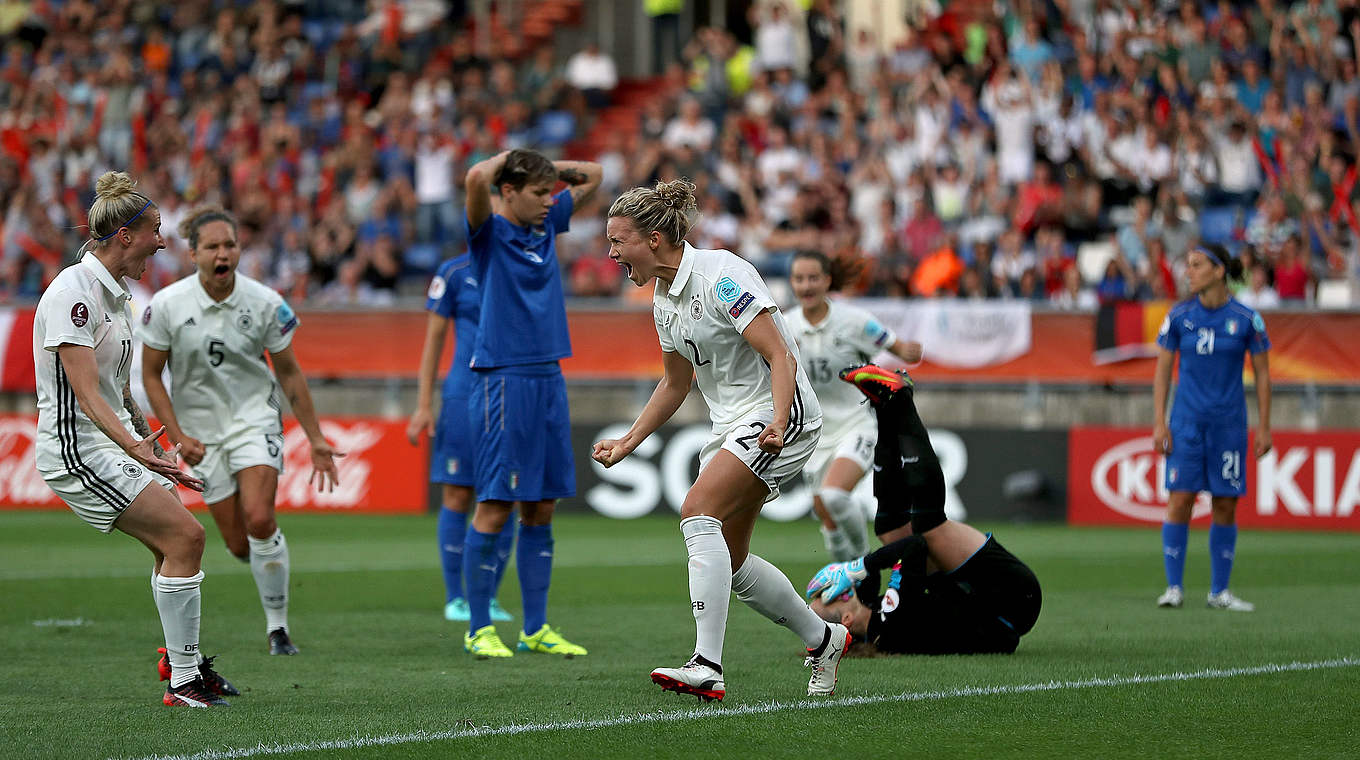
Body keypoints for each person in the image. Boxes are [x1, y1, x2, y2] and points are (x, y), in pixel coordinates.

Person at [593, 179, 850, 702]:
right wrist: (629, 442)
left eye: (619, 241)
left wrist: (778, 420)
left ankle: (707, 664)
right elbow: (675, 382)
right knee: (730, 561)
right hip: (732, 424)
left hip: (780, 415)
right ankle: (825, 639)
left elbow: (780, 354)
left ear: (656, 238)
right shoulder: (663, 300)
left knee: (696, 511)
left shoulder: (723, 276)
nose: (612, 253)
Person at [33, 172, 236, 707]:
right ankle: (185, 681)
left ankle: (181, 665)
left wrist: (154, 444)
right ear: (125, 235)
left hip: (109, 440)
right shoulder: (71, 296)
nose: (162, 241)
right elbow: (86, 394)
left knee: (171, 543)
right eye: (155, 230)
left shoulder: (118, 298)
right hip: (75, 448)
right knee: (186, 538)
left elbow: (118, 390)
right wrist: (133, 447)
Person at [139, 205, 343, 657]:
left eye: (229, 244)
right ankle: (269, 563)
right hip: (199, 433)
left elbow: (290, 374)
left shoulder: (266, 302)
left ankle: (278, 629)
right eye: (212, 246)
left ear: (239, 250)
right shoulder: (168, 305)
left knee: (259, 517)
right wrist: (175, 434)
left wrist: (315, 438)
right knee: (236, 544)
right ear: (193, 254)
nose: (222, 253)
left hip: (255, 419)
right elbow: (152, 375)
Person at [459, 149, 601, 658]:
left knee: (541, 506)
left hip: (548, 375)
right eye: (538, 193)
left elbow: (597, 173)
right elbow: (477, 175)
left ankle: (535, 628)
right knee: (496, 504)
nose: (549, 201)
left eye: (550, 193)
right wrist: (516, 164)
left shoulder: (545, 226)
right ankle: (479, 628)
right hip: (503, 378)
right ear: (508, 191)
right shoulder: (488, 233)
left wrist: (545, 172)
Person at [805, 364, 1042, 655]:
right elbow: (913, 548)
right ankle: (902, 399)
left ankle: (883, 405)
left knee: (889, 531)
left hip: (972, 596)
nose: (832, 591)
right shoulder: (892, 624)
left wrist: (850, 573)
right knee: (929, 528)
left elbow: (880, 568)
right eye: (829, 597)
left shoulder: (871, 618)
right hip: (1010, 605)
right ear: (847, 619)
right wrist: (856, 567)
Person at [1152, 244, 1272, 612]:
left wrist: (1264, 427)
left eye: (1196, 265)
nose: (1188, 272)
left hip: (1228, 426)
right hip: (1186, 423)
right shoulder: (1178, 316)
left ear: (1219, 271)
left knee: (1225, 503)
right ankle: (1174, 588)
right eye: (1187, 265)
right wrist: (1159, 421)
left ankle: (1219, 592)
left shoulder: (1247, 318)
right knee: (1181, 499)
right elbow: (1162, 370)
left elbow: (1264, 372)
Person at [786, 251, 923, 561]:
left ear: (827, 280)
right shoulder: (785, 326)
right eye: (799, 279)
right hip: (813, 434)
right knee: (827, 516)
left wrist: (909, 351)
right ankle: (850, 586)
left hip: (855, 424)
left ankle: (865, 565)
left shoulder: (853, 321)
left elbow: (897, 346)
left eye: (813, 278)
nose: (806, 286)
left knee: (834, 495)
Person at [407, 253, 516, 623]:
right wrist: (423, 405)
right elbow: (433, 341)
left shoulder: (522, 264)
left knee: (505, 495)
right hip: (462, 395)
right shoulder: (453, 272)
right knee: (457, 492)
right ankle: (456, 598)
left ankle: (489, 598)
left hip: (509, 396)